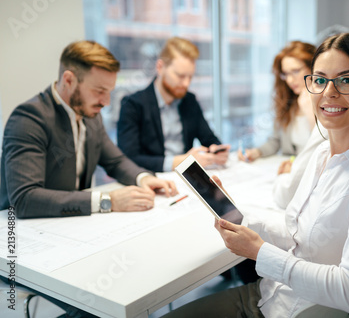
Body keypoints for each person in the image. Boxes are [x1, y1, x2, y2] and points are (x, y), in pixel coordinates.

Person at [163, 32, 349, 317]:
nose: (329, 92)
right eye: (319, 80)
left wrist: (260, 252)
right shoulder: (322, 155)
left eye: (346, 80)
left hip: (291, 308)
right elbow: (299, 233)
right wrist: (237, 215)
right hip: (271, 294)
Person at [0, 40, 178, 317]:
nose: (106, 102)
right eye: (99, 91)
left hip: (72, 231)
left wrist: (144, 178)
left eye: (109, 92)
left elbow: (115, 160)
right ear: (69, 80)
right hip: (25, 243)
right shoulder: (30, 118)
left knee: (133, 281)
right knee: (100, 306)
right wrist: (107, 201)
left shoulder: (89, 113)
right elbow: (24, 199)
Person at [117, 37, 230, 173]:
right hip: (153, 178)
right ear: (160, 67)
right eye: (180, 76)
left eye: (190, 77)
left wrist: (217, 150)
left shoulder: (189, 101)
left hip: (188, 177)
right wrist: (180, 162)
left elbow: (209, 138)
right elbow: (129, 159)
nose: (186, 84)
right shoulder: (133, 105)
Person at [238, 41, 316, 163]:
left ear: (313, 68)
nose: (289, 80)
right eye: (285, 74)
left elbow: (325, 146)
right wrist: (256, 152)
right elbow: (276, 141)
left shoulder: (329, 104)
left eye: (295, 71)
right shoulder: (290, 102)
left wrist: (310, 112)